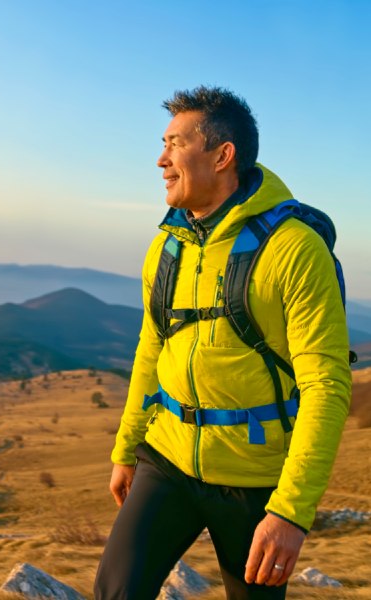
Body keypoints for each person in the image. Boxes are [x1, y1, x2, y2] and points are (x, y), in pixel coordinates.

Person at [93, 86, 352, 599]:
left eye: (174, 143)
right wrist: (126, 448)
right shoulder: (169, 244)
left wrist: (290, 512)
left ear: (222, 154)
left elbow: (325, 384)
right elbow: (152, 348)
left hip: (252, 477)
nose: (161, 159)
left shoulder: (294, 248)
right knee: (115, 592)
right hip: (165, 458)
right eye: (162, 144)